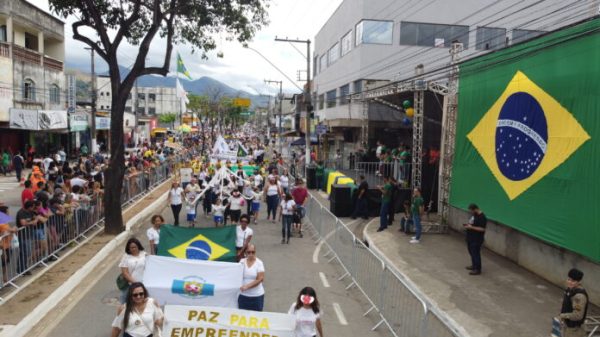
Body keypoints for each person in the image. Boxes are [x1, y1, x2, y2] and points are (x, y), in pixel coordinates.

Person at [558, 268, 588, 337]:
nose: (569, 282)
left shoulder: (579, 296)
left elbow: (578, 315)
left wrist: (563, 316)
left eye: (573, 281)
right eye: (568, 279)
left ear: (579, 282)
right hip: (568, 325)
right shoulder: (570, 289)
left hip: (574, 330)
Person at [118, 238, 147, 303]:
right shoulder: (126, 257)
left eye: (134, 247)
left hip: (144, 285)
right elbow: (125, 272)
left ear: (138, 246)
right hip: (130, 285)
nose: (133, 249)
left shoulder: (144, 255)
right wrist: (135, 283)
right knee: (125, 304)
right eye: (131, 247)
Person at [238, 244, 265, 312]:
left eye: (253, 252)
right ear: (245, 252)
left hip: (256, 296)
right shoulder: (241, 262)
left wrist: (247, 286)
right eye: (249, 252)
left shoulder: (259, 263)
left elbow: (260, 279)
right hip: (243, 295)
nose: (251, 254)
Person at [464, 203, 486, 275]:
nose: (471, 212)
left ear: (475, 209)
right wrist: (468, 225)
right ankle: (474, 265)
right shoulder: (475, 215)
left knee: (475, 253)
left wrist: (471, 227)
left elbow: (482, 229)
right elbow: (472, 223)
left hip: (477, 239)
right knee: (471, 252)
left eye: (471, 211)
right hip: (470, 237)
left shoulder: (482, 217)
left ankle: (477, 269)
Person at [0, 205, 17, 283]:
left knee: (5, 262)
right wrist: (13, 229)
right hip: (2, 246)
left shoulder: (4, 221)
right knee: (3, 262)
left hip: (6, 245)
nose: (9, 213)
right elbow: (8, 229)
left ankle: (5, 279)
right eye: (7, 211)